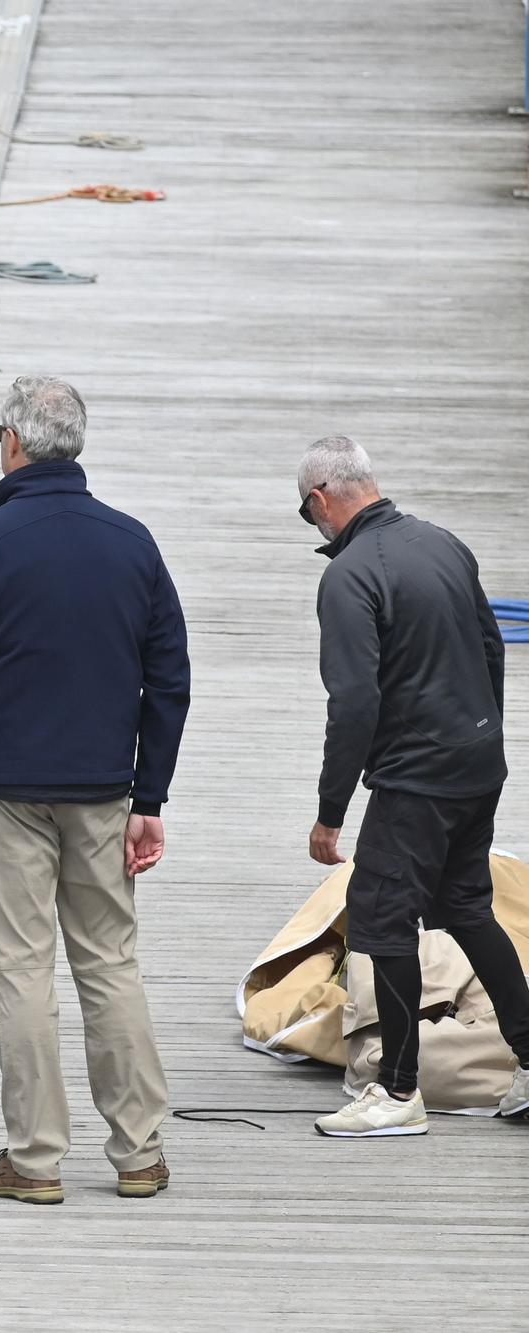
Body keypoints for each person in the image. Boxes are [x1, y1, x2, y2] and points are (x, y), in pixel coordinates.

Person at [0, 376, 188, 1205]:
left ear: (12, 443)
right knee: (110, 961)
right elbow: (168, 678)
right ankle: (139, 1150)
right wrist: (150, 796)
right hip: (104, 788)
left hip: (2, 790)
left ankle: (35, 1158)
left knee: (22, 968)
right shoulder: (131, 543)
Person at [296, 435, 529, 1135]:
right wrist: (480, 733)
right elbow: (492, 650)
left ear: (320, 500)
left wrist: (329, 813)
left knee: (380, 917)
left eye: (310, 519)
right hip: (479, 762)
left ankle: (397, 1092)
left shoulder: (349, 576)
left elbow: (354, 703)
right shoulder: (444, 543)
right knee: (465, 906)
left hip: (417, 777)